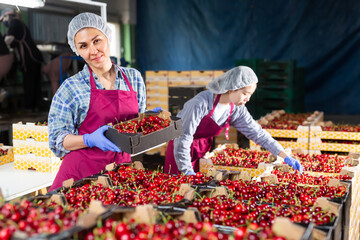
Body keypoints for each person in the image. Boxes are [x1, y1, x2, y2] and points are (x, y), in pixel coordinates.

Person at [48, 12, 156, 191]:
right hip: (81, 177)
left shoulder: (133, 78)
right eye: (83, 46)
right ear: (77, 50)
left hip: (120, 172)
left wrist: (153, 123)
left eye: (96, 41)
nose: (93, 51)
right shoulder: (71, 88)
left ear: (107, 37)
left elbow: (138, 127)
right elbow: (57, 141)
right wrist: (89, 139)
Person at [164, 66, 303, 175]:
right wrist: (186, 170)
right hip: (180, 150)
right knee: (178, 190)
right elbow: (184, 137)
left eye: (250, 95)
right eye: (244, 93)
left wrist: (284, 155)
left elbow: (257, 133)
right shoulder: (200, 103)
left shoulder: (236, 109)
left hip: (200, 151)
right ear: (231, 89)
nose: (247, 99)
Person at [0, 8, 43, 111]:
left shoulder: (15, 23)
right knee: (35, 83)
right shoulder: (19, 24)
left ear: (7, 16)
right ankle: (36, 107)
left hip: (30, 57)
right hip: (35, 57)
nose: (3, 23)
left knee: (29, 82)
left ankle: (29, 107)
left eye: (3, 20)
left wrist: (3, 47)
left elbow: (8, 39)